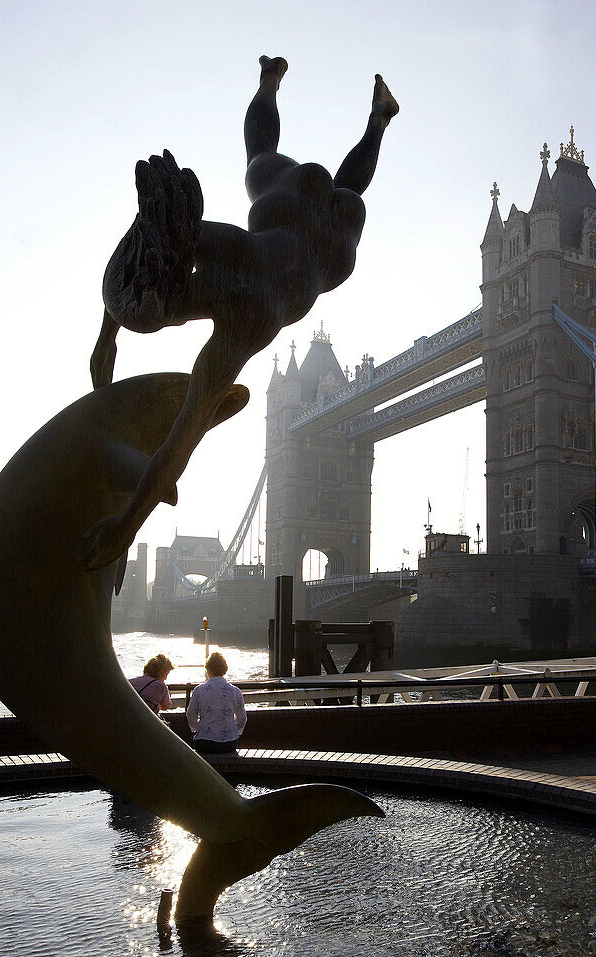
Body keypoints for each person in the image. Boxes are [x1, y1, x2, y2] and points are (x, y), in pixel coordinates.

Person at [83, 56, 398, 571]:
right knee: (261, 157)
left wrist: (123, 530)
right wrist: (107, 334)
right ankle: (285, 85)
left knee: (344, 190)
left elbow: (177, 448)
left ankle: (374, 119)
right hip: (296, 209)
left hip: (330, 243)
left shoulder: (242, 325)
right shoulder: (211, 244)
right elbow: (155, 243)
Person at [187, 651, 246, 755]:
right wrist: (235, 731)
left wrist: (197, 728)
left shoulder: (199, 690)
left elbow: (191, 714)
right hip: (229, 742)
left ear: (208, 670)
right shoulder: (235, 691)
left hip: (204, 742)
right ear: (224, 670)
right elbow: (242, 718)